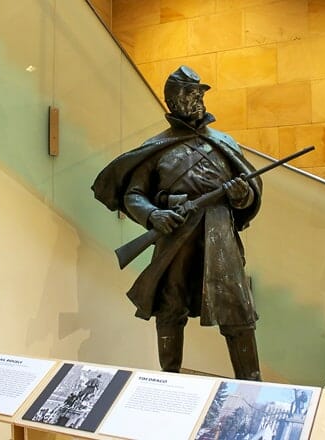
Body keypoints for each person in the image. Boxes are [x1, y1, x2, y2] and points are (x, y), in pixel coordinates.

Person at [92, 65, 263, 381]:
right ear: (172, 101)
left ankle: (252, 382)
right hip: (175, 236)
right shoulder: (157, 147)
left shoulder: (224, 142)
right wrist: (152, 214)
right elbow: (134, 194)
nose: (195, 100)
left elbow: (249, 193)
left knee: (237, 309)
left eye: (198, 93)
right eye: (188, 94)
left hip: (219, 235)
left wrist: (242, 196)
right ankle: (168, 382)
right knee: (170, 308)